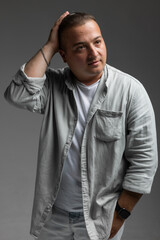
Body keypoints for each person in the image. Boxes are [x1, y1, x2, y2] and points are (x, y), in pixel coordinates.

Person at [4, 11, 158, 240]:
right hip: (53, 217)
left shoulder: (131, 92)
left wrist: (120, 214)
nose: (93, 53)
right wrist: (50, 45)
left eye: (97, 42)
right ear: (64, 55)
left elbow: (145, 160)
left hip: (100, 218)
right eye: (80, 47)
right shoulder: (54, 87)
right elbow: (17, 94)